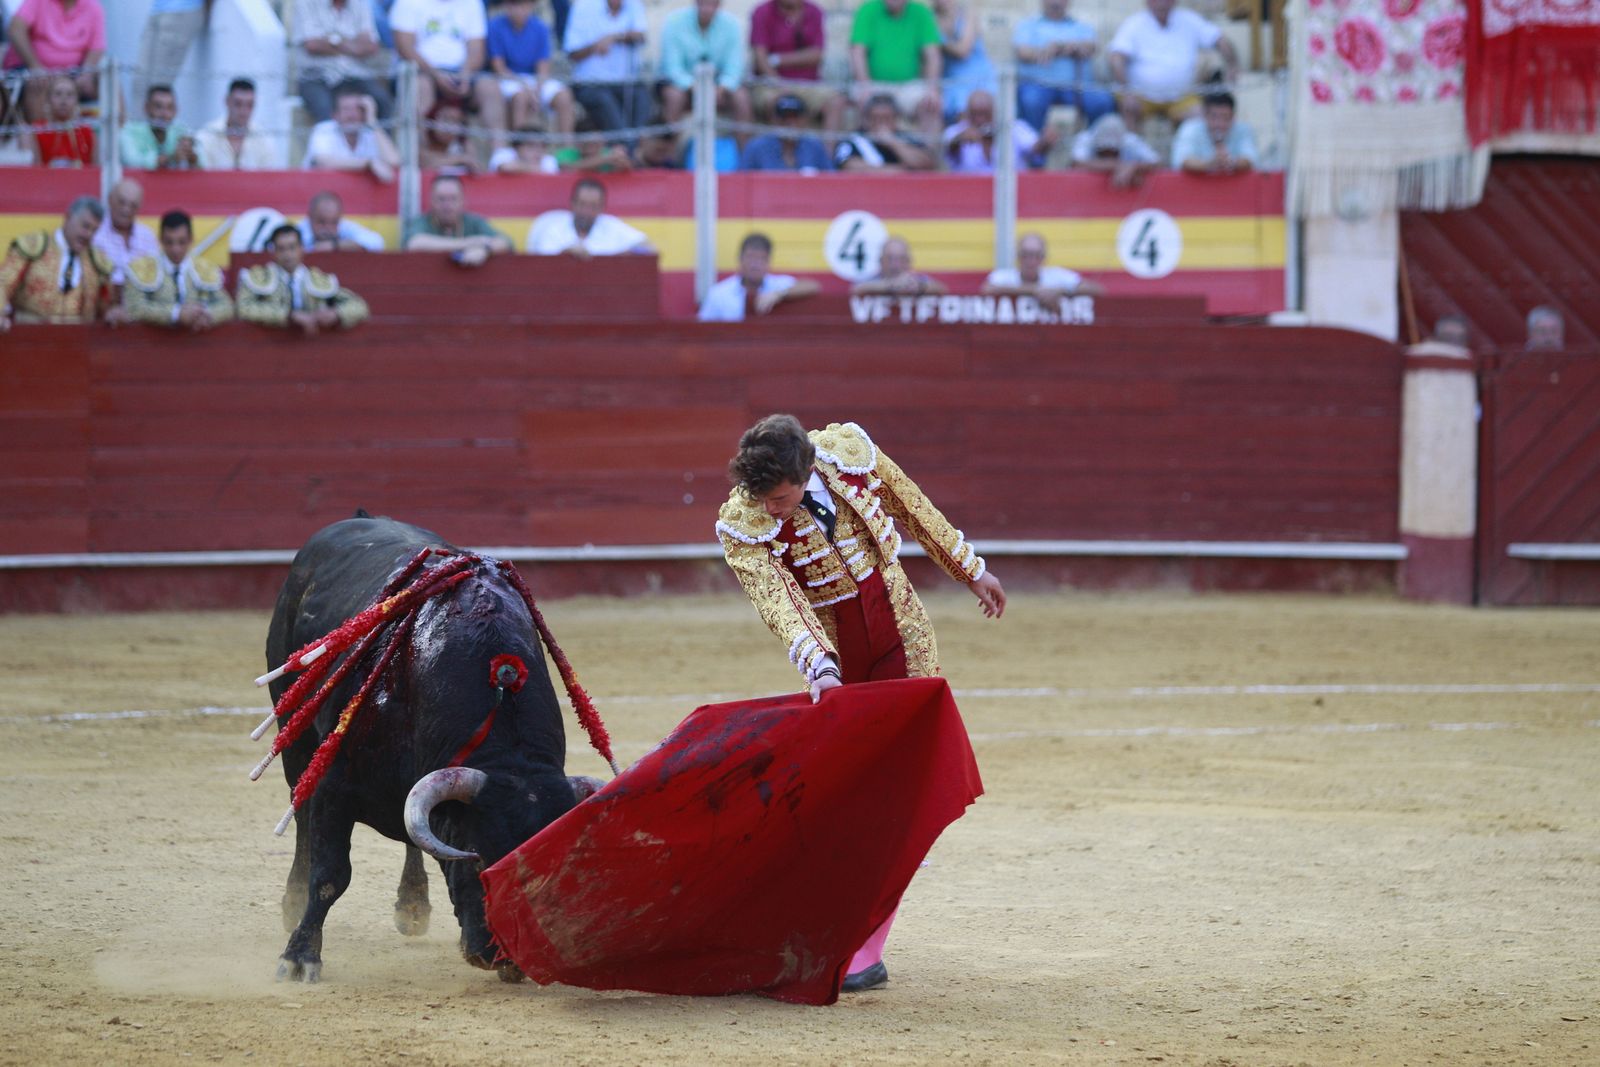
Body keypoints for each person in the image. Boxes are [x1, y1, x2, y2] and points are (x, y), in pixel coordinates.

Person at [715, 414, 1005, 991]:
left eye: (780, 499)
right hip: (835, 652)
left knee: (900, 792)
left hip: (899, 627)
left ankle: (867, 947)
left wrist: (970, 570)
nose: (772, 511)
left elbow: (912, 508)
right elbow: (778, 598)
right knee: (849, 795)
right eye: (764, 500)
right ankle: (839, 933)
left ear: (805, 473)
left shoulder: (850, 454)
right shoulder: (742, 520)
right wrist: (818, 666)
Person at [391, 0, 506, 149]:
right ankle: (419, 154)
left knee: (490, 88)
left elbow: (477, 51)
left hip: (461, 72)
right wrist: (436, 75)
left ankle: (500, 155)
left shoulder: (472, 4)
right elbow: (405, 49)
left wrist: (465, 75)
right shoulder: (406, 3)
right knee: (420, 87)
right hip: (420, 71)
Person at [1108, 0, 1238, 127]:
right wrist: (1126, 91)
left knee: (1201, 115)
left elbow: (1218, 39)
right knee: (1128, 107)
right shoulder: (1133, 23)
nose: (1162, 3)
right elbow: (1116, 58)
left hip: (1181, 97)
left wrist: (1233, 65)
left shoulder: (1190, 20)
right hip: (1141, 97)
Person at [0, 195, 115, 329]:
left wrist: (112, 312)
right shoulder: (34, 246)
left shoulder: (97, 262)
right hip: (30, 336)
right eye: (85, 226)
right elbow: (3, 283)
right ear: (68, 217)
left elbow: (105, 307)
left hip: (78, 342)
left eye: (94, 230)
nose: (88, 234)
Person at [238, 224, 369, 334]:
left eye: (292, 247)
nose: (287, 254)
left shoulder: (318, 279)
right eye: (281, 249)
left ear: (302, 249)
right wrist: (288, 315)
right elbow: (243, 307)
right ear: (273, 252)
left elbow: (359, 306)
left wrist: (336, 313)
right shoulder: (261, 277)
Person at [121, 209, 233, 331]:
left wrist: (205, 315)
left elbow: (227, 306)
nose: (176, 249)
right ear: (161, 240)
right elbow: (133, 307)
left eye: (181, 242)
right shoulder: (142, 268)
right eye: (169, 242)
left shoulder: (204, 269)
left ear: (191, 240)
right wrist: (176, 314)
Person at [1012, 0, 1115, 133]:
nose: (1056, 3)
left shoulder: (1081, 27)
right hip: (1037, 85)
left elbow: (1092, 47)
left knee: (1103, 101)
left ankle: (1088, 146)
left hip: (1076, 87)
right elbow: (1023, 52)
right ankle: (1033, 147)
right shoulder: (1027, 25)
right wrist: (1059, 50)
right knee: (1031, 101)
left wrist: (1058, 47)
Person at [849, 0, 943, 145]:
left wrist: (932, 89)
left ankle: (930, 161)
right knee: (863, 102)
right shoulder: (867, 10)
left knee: (931, 106)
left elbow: (933, 55)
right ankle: (861, 158)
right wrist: (864, 85)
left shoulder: (921, 13)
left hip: (909, 87)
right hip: (873, 84)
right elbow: (857, 52)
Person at [747, 0, 845, 132]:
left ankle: (828, 152)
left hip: (809, 85)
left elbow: (816, 55)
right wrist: (780, 85)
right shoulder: (762, 12)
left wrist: (777, 59)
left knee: (836, 102)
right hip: (771, 84)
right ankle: (776, 151)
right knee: (778, 103)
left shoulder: (814, 12)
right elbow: (760, 58)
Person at [660, 0, 753, 134]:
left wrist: (721, 89)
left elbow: (734, 67)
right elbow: (672, 68)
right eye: (703, 2)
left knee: (741, 98)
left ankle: (745, 153)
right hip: (683, 86)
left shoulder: (732, 25)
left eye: (712, 3)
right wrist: (698, 89)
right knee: (674, 97)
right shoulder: (674, 21)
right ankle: (670, 152)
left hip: (718, 87)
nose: (706, 8)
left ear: (719, 4)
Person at [3, 0, 105, 123]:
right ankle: (42, 140)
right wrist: (34, 65)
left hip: (74, 73)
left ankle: (121, 137)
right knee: (37, 82)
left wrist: (86, 73)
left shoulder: (93, 6)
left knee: (109, 82)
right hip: (35, 70)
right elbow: (16, 29)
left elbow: (97, 47)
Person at [293, 0, 393, 124]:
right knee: (325, 112)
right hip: (316, 76)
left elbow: (371, 46)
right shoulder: (306, 3)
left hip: (354, 74)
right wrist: (353, 45)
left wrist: (333, 41)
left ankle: (382, 143)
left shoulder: (360, 4)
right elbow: (312, 45)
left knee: (382, 102)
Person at [562, 0, 652, 138]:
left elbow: (641, 36)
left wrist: (613, 37)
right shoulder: (583, 7)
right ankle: (626, 152)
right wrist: (595, 47)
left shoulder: (634, 4)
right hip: (591, 84)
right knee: (609, 110)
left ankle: (635, 150)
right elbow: (572, 53)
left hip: (628, 82)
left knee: (644, 102)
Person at [487, 0, 575, 137]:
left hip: (534, 80)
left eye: (523, 4)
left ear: (532, 6)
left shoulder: (540, 28)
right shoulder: (495, 26)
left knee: (564, 96)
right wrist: (526, 87)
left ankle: (567, 148)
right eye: (514, 4)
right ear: (506, 5)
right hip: (507, 79)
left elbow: (543, 67)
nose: (519, 9)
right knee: (521, 97)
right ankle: (520, 148)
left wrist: (537, 91)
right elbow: (499, 68)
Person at [698, 232, 819, 321]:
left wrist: (779, 294)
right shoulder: (719, 293)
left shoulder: (777, 285)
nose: (755, 265)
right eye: (750, 258)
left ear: (768, 262)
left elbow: (813, 286)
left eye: (761, 259)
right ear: (740, 259)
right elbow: (702, 331)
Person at [403, 174, 514, 266]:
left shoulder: (473, 222)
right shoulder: (422, 221)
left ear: (463, 201)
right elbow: (414, 243)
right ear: (431, 201)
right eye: (441, 199)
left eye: (453, 199)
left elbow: (505, 242)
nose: (447, 205)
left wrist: (485, 250)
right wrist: (469, 243)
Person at [526, 177, 652, 256]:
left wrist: (616, 258)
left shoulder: (611, 225)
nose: (586, 211)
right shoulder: (552, 227)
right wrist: (565, 254)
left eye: (593, 206)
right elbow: (543, 263)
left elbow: (648, 248)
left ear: (601, 208)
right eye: (582, 204)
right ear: (572, 203)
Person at [942, 88, 1055, 174]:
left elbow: (1035, 148)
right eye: (975, 114)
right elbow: (948, 145)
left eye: (985, 114)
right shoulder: (956, 131)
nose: (980, 120)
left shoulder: (1015, 128)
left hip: (1011, 195)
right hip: (967, 196)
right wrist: (959, 140)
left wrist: (1045, 141)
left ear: (995, 111)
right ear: (967, 113)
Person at [302, 84, 400, 181]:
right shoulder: (324, 129)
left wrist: (372, 120)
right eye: (346, 109)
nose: (352, 115)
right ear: (335, 115)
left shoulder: (370, 133)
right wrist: (368, 163)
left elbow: (394, 162)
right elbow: (323, 161)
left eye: (357, 109)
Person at [833, 93, 936, 173]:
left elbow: (925, 164)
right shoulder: (852, 139)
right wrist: (898, 171)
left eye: (886, 118)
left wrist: (892, 142)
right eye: (876, 118)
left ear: (896, 119)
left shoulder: (908, 139)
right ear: (866, 119)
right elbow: (849, 166)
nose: (881, 124)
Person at [983, 231, 1104, 298]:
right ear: (1018, 256)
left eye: (1036, 255)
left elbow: (1097, 290)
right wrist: (1036, 291)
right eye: (1026, 254)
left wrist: (1059, 292)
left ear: (1043, 258)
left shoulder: (1056, 275)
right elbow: (987, 289)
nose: (1031, 261)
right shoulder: (1004, 276)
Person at [931, 0, 995, 122]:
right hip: (950, 79)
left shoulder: (968, 14)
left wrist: (937, 40)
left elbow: (963, 50)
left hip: (979, 77)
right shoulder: (929, 18)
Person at [133, 0, 206, 104]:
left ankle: (153, 120)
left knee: (159, 88)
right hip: (157, 10)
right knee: (140, 82)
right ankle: (138, 121)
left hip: (181, 11)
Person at [196, 78, 276, 170]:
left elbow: (267, 179)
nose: (244, 111)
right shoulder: (206, 136)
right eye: (238, 104)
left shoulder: (264, 139)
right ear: (227, 101)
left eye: (250, 105)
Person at [739, 92, 831, 172]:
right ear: (774, 120)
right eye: (784, 117)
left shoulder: (815, 148)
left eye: (795, 117)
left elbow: (831, 182)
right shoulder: (756, 148)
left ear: (804, 120)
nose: (790, 122)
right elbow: (741, 182)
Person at [92, 178, 159, 287]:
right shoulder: (95, 233)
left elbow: (154, 275)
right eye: (121, 202)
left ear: (139, 208)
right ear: (110, 200)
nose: (126, 209)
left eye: (133, 205)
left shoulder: (148, 236)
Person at [1171, 90, 1256, 174]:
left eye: (1225, 117)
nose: (1219, 124)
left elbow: (1250, 159)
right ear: (1204, 115)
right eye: (1214, 117)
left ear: (1233, 116)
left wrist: (1232, 163)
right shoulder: (1190, 129)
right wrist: (1210, 164)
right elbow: (1183, 161)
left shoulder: (1243, 130)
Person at [119, 84, 200, 170]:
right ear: (146, 108)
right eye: (158, 107)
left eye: (169, 108)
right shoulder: (130, 131)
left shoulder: (181, 131)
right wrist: (169, 158)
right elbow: (131, 162)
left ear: (176, 110)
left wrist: (192, 157)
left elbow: (204, 162)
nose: (164, 114)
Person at [1070, 112, 1159, 188]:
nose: (1108, 155)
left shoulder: (1130, 141)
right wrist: (1119, 166)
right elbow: (1077, 163)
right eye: (1104, 151)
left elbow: (1156, 162)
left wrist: (1134, 167)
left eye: (1113, 151)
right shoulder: (1085, 139)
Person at [29, 73, 94, 166]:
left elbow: (95, 168)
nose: (64, 100)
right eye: (58, 94)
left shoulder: (87, 131)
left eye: (69, 94)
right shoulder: (38, 130)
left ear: (77, 100)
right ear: (49, 100)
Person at [850, 235, 945, 295]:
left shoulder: (916, 279)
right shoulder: (871, 279)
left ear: (908, 262)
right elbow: (856, 289)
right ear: (881, 261)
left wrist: (919, 287)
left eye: (901, 259)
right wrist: (890, 286)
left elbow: (940, 288)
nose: (895, 265)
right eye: (890, 258)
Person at [297, 190, 386, 252]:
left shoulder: (344, 225)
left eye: (333, 222)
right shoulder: (299, 230)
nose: (328, 228)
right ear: (310, 216)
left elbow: (377, 242)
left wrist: (335, 245)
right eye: (321, 222)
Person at [419, 99, 484, 173]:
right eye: (445, 119)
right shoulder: (422, 140)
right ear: (433, 118)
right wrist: (461, 159)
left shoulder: (463, 144)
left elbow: (477, 167)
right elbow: (426, 163)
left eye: (455, 122)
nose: (449, 127)